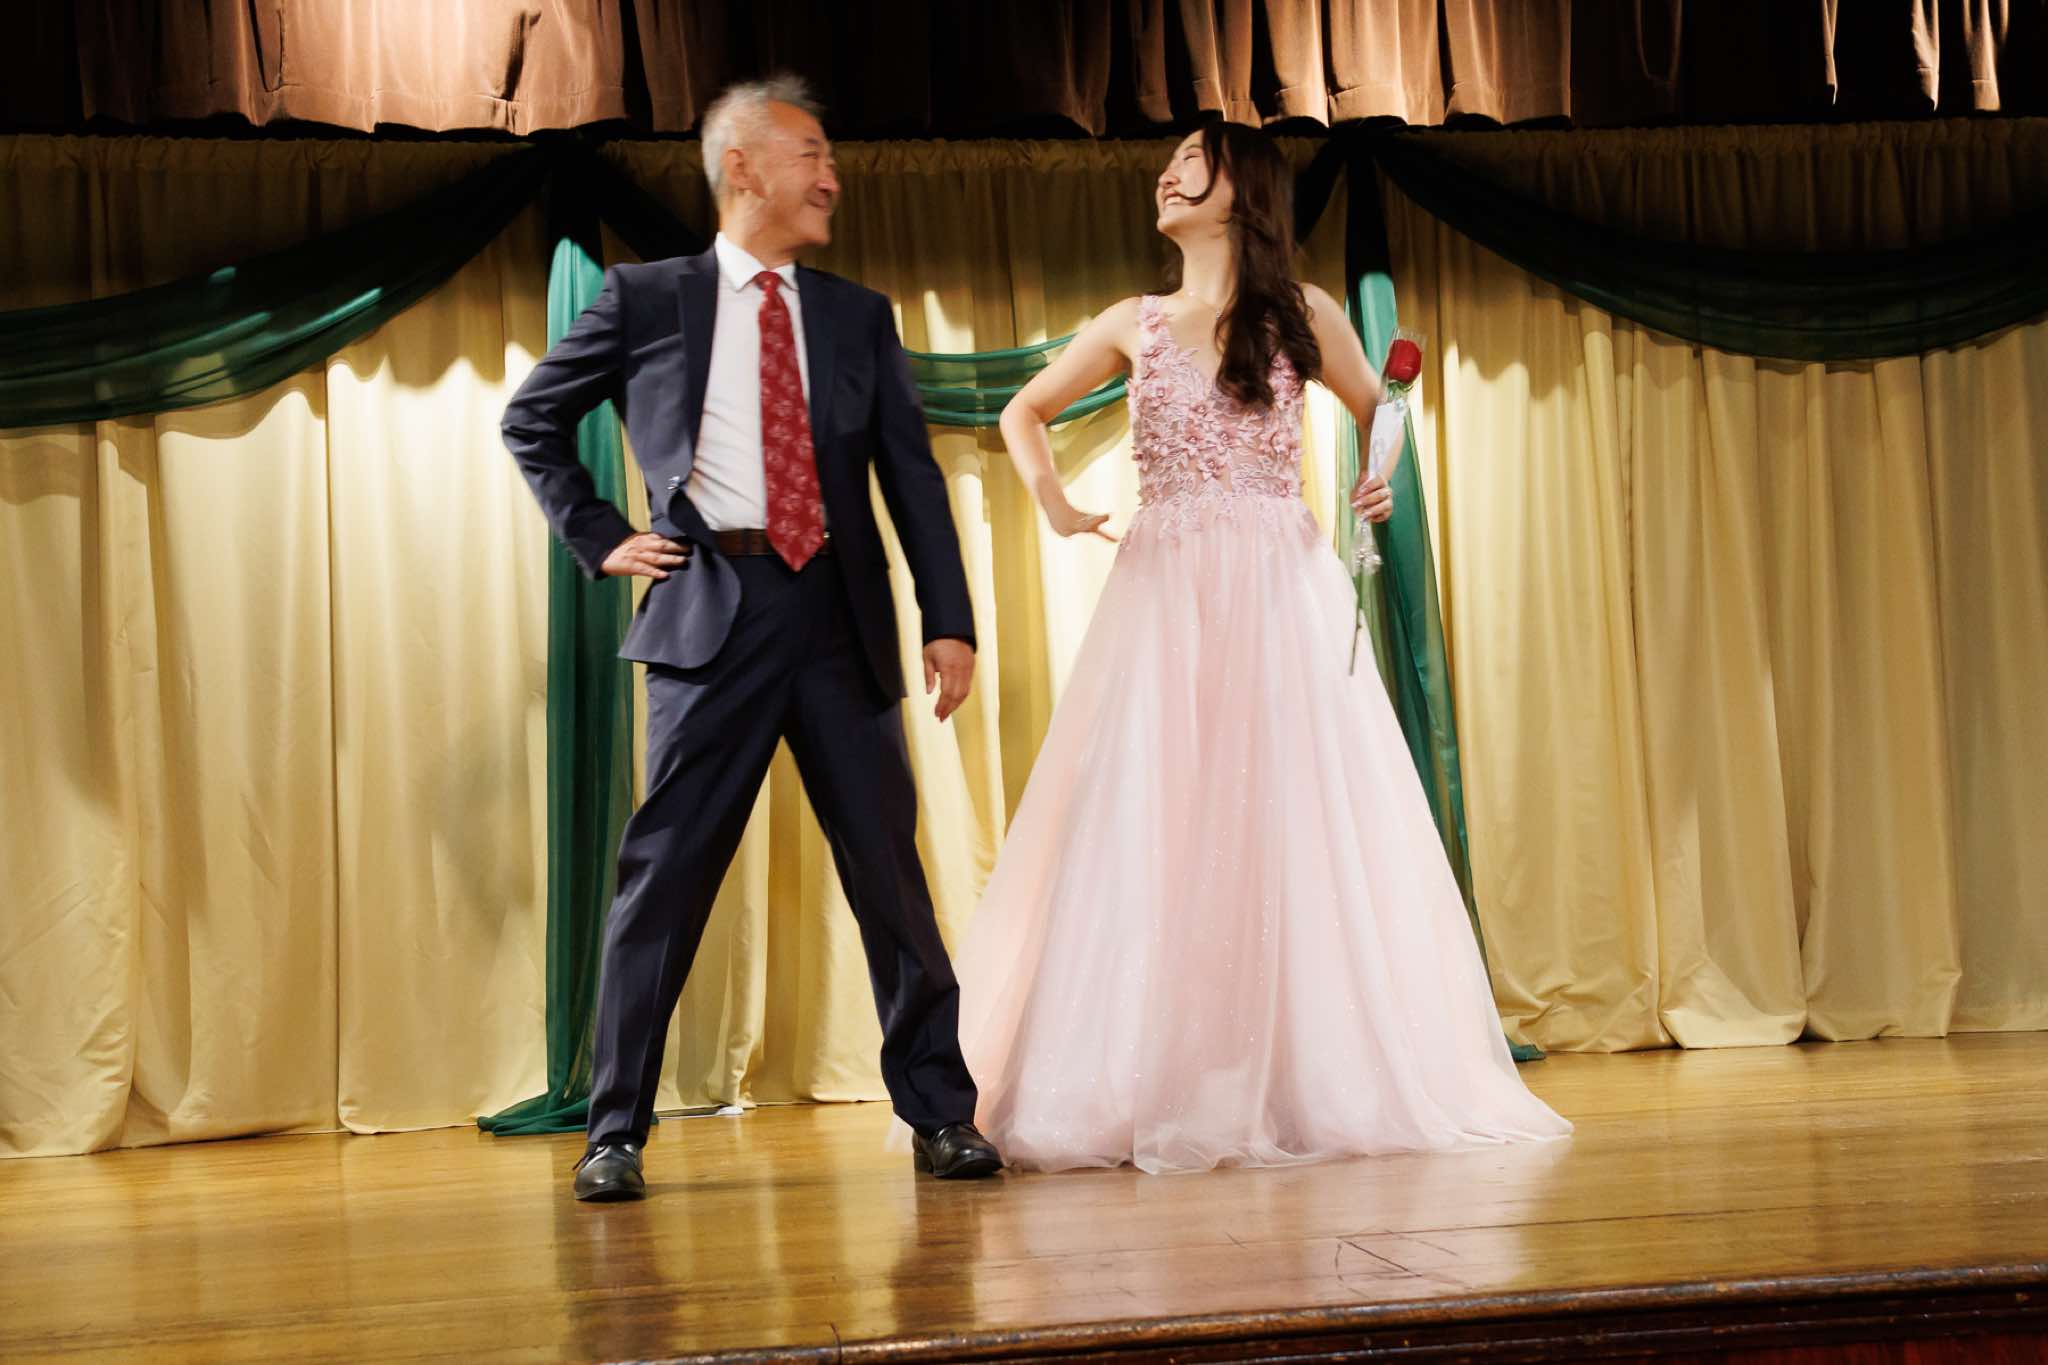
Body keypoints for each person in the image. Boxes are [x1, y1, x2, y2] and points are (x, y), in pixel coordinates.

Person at [952, 123, 1571, 1173]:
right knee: (1155, 818)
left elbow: (1381, 409)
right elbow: (1023, 411)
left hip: (1279, 585)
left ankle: (1297, 1070)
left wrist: (1376, 478)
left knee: (1287, 816)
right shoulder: (1133, 321)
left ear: (1241, 188)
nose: (1166, 172)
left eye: (1190, 160)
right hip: (1163, 592)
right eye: (1168, 161)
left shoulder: (1301, 313)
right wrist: (1052, 502)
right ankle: (1151, 1071)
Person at [502, 75, 1002, 1200]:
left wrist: (949, 619)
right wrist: (600, 535)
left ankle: (941, 1115)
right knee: (663, 881)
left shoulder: (856, 315)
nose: (832, 178)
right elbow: (533, 418)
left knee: (890, 881)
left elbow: (911, 478)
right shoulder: (644, 298)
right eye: (812, 154)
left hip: (838, 621)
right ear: (742, 167)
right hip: (708, 615)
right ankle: (613, 1132)